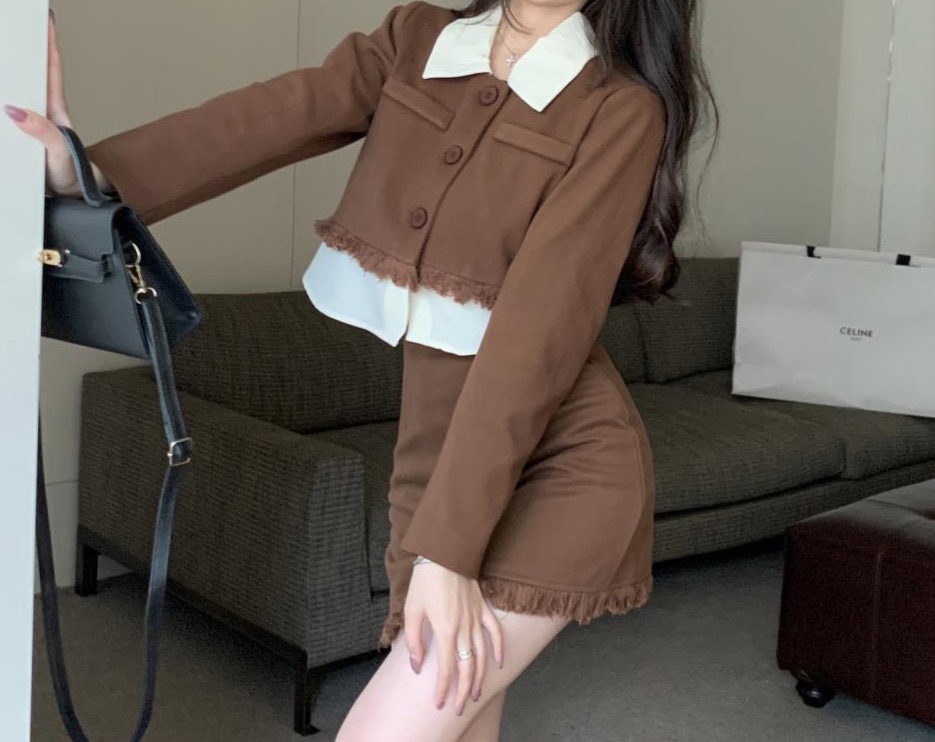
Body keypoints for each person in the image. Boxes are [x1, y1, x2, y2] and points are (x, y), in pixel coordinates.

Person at [8, 2, 715, 740]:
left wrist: (447, 553)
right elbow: (269, 117)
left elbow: (537, 339)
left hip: (563, 469)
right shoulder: (418, 38)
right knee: (462, 724)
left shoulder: (617, 109)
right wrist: (87, 171)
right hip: (431, 472)